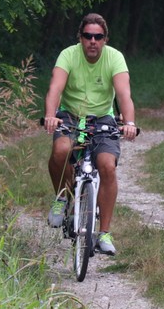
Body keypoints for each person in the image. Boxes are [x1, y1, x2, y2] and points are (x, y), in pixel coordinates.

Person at [43, 13, 138, 256]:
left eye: (98, 37)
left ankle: (104, 233)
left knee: (107, 166)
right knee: (61, 150)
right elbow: (55, 88)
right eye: (87, 36)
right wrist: (51, 115)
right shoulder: (68, 55)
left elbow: (124, 95)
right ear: (80, 38)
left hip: (103, 118)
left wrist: (129, 122)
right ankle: (62, 198)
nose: (92, 41)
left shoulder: (115, 57)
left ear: (105, 39)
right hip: (70, 115)